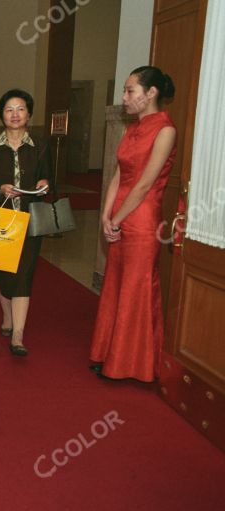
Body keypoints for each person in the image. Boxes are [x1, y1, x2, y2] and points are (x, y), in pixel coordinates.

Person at [89, 66, 176, 382]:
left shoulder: (165, 130)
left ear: (150, 93)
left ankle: (129, 364)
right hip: (120, 214)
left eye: (130, 91)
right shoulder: (131, 129)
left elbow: (143, 184)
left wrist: (119, 218)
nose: (124, 97)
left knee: (135, 289)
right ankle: (106, 352)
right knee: (114, 283)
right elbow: (118, 175)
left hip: (141, 218)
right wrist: (104, 216)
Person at [0, 89, 50, 356]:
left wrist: (44, 184)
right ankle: (7, 318)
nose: (15, 114)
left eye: (20, 109)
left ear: (29, 113)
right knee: (1, 271)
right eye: (9, 109)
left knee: (23, 276)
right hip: (1, 217)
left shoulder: (40, 146)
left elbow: (47, 178)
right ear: (2, 115)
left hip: (30, 219)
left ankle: (18, 334)